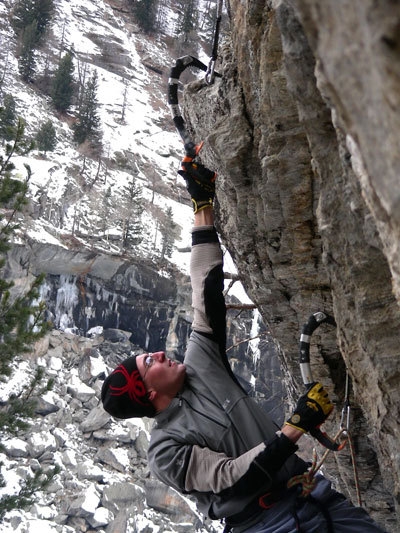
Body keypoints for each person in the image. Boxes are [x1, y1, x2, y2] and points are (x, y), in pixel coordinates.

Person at [101, 156, 386, 533]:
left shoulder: (200, 365)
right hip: (266, 524)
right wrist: (295, 426)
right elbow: (234, 477)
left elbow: (206, 291)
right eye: (147, 363)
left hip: (312, 496)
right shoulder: (165, 451)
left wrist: (202, 207)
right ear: (148, 392)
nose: (157, 353)